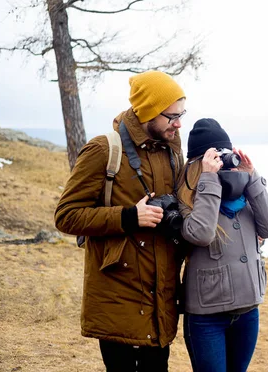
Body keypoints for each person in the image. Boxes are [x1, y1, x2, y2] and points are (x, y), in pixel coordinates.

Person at [55, 70, 188, 372]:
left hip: (161, 296)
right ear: (149, 111)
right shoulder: (104, 150)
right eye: (172, 116)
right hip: (118, 294)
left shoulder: (172, 153)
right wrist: (129, 216)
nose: (179, 123)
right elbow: (66, 216)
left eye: (182, 114)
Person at [176, 118, 268, 372]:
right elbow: (201, 233)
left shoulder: (244, 194)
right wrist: (209, 179)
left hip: (247, 313)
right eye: (215, 156)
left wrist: (252, 177)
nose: (223, 162)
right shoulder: (186, 198)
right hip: (206, 317)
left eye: (225, 155)